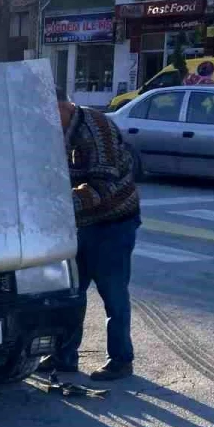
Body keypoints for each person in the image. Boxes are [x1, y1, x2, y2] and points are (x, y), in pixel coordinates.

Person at [40, 87, 141, 381]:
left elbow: (103, 185)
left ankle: (121, 360)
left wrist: (61, 205)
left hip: (114, 221)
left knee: (113, 293)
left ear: (63, 107)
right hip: (81, 222)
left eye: (50, 114)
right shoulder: (55, 129)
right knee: (72, 292)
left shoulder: (97, 129)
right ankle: (64, 356)